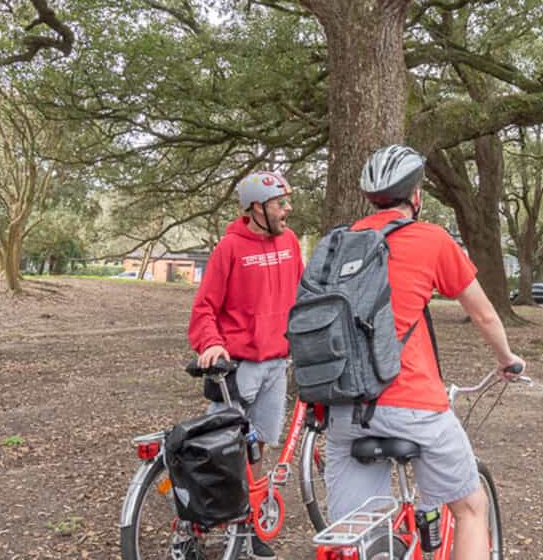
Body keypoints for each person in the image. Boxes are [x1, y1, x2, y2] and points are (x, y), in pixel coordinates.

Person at [324, 144, 524, 560]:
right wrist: (507, 359)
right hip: (412, 404)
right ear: (416, 196)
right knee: (471, 509)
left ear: (369, 198)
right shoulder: (431, 238)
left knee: (354, 533)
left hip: (343, 408)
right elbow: (484, 315)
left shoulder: (339, 243)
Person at [187, 170, 302, 560]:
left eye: (286, 202)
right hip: (239, 367)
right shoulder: (229, 248)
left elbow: (302, 296)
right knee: (220, 449)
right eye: (280, 203)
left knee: (257, 448)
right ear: (256, 208)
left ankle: (247, 526)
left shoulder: (290, 242)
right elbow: (204, 308)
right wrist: (211, 343)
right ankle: (196, 527)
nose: (287, 209)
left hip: (276, 364)